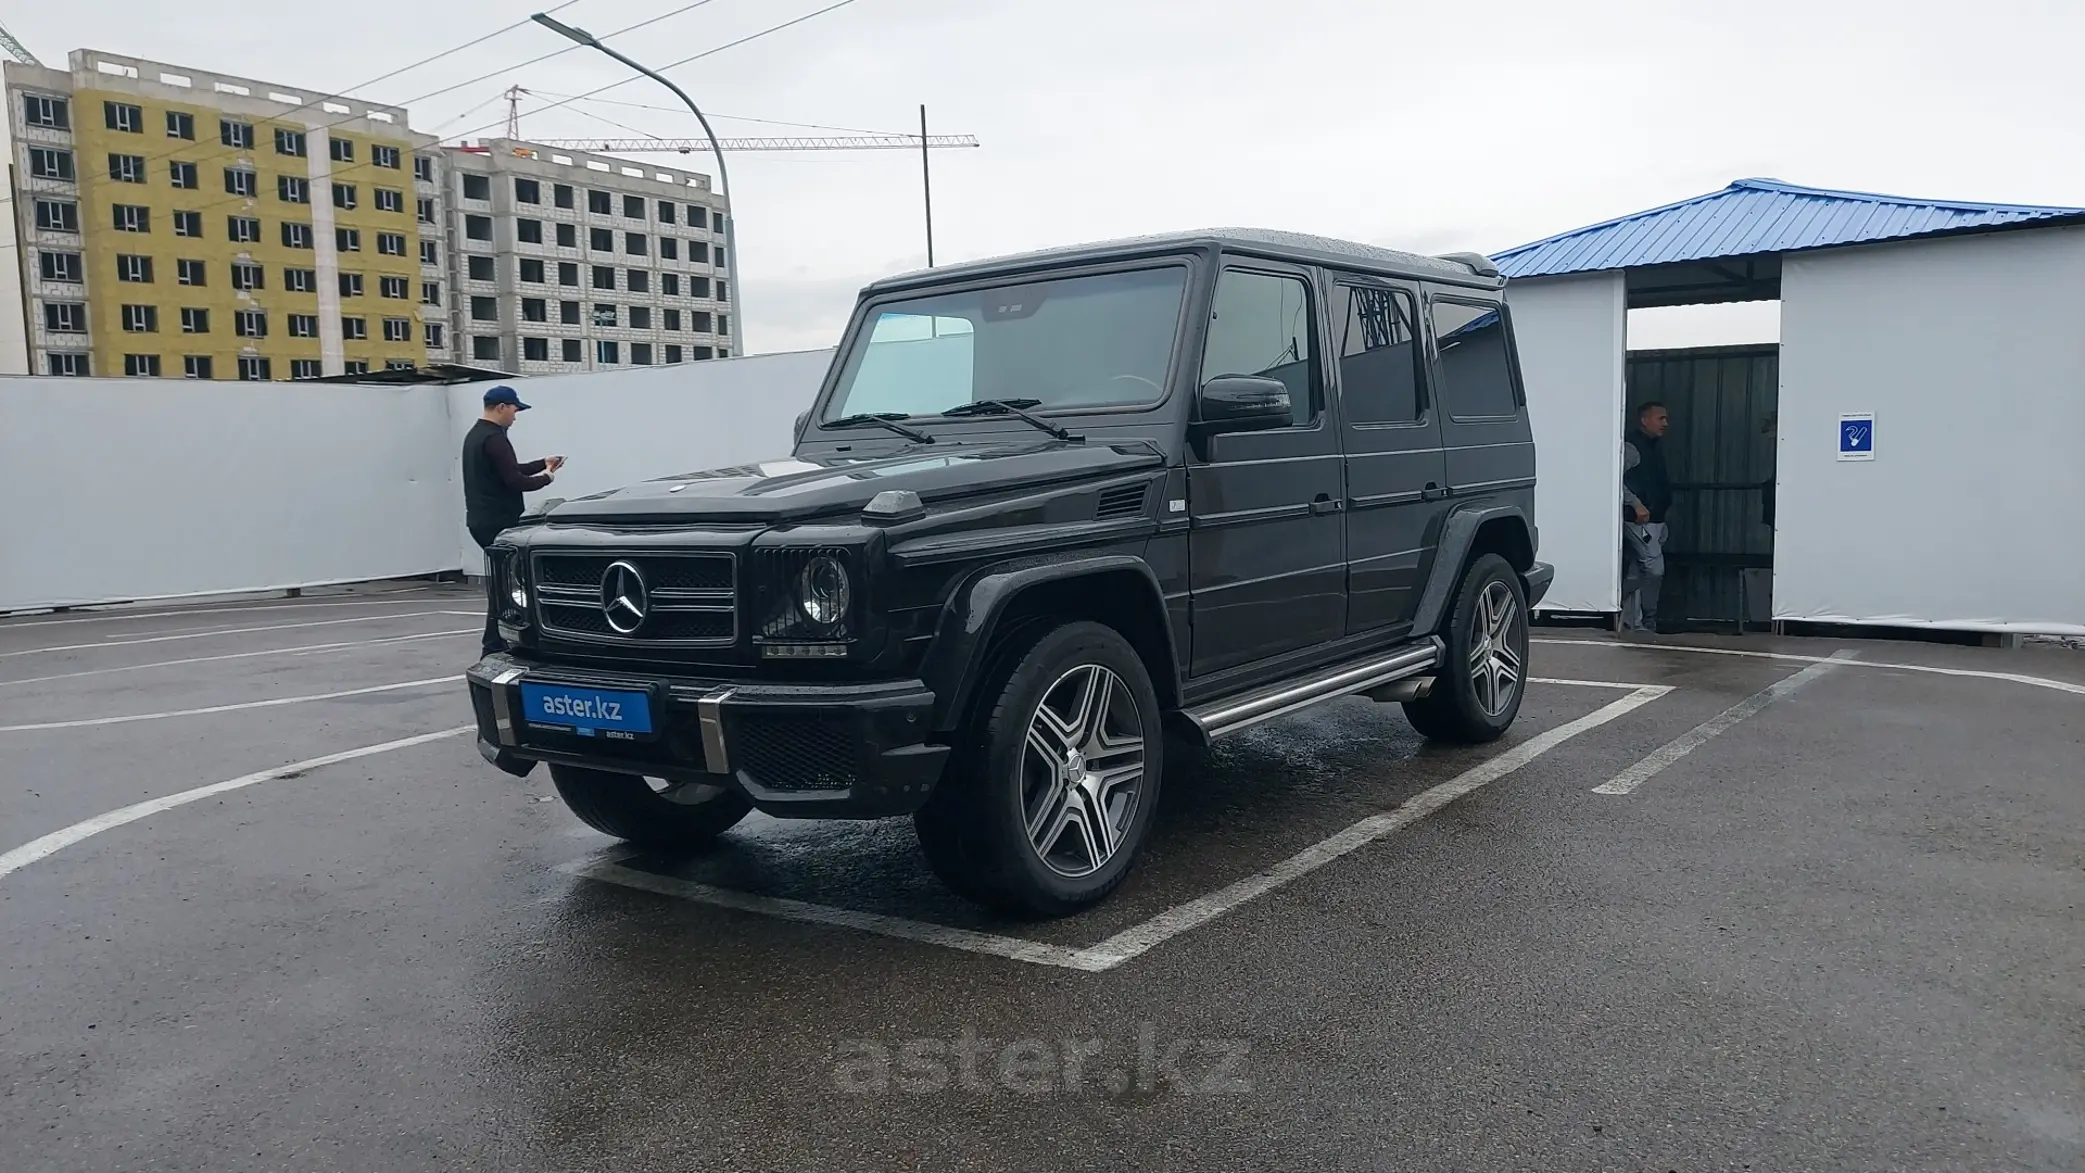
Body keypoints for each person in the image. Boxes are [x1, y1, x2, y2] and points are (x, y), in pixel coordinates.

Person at [462, 386, 562, 656]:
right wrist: (547, 478)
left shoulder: (475, 436)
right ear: (501, 407)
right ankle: (494, 645)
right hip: (500, 524)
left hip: (481, 521)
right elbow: (515, 480)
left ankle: (495, 644)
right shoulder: (495, 438)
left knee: (503, 586)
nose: (515, 417)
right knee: (506, 589)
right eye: (515, 410)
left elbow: (510, 469)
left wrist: (543, 462)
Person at [1621, 401, 1672, 633]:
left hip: (1656, 522)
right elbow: (1613, 479)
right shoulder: (1632, 448)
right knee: (1653, 569)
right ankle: (1620, 601)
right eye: (1660, 418)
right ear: (1644, 420)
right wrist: (1635, 503)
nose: (1665, 424)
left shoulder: (1654, 446)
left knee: (1638, 569)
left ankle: (1635, 622)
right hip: (1639, 521)